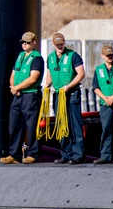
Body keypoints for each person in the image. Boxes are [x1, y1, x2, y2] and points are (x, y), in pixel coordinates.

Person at [1, 31, 43, 164]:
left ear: (33, 43)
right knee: (14, 125)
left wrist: (18, 87)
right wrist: (14, 88)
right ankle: (14, 155)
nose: (24, 44)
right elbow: (13, 74)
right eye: (23, 42)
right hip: (18, 96)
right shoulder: (20, 56)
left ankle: (33, 154)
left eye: (27, 42)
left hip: (30, 95)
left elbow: (33, 78)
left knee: (32, 126)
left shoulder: (37, 58)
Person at [44, 32, 86, 164]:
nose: (60, 46)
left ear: (64, 43)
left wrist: (69, 86)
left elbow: (81, 74)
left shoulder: (73, 56)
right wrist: (47, 84)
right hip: (58, 95)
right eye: (57, 45)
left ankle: (78, 154)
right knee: (61, 124)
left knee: (75, 125)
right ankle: (65, 153)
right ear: (53, 45)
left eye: (61, 44)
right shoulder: (50, 58)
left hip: (71, 94)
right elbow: (50, 73)